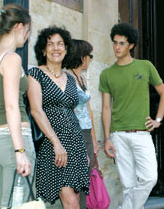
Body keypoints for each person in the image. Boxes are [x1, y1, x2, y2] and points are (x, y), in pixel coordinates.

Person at [100, 23, 164, 209]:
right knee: (128, 185)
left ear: (131, 45)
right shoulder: (107, 74)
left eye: (122, 43)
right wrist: (107, 138)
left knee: (149, 178)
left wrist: (158, 121)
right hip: (118, 135)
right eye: (115, 43)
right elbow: (106, 108)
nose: (117, 47)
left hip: (141, 132)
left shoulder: (145, 66)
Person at [0, 4, 35, 209]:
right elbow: (12, 107)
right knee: (17, 206)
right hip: (14, 141)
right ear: (19, 27)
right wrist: (20, 150)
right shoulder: (11, 58)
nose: (26, 37)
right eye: (28, 32)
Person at [27, 26, 90, 208]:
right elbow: (36, 111)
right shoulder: (35, 74)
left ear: (66, 48)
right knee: (70, 202)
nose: (56, 48)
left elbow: (74, 113)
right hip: (53, 143)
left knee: (75, 201)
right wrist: (56, 143)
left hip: (75, 142)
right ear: (43, 50)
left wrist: (82, 149)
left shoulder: (70, 78)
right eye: (50, 44)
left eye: (60, 44)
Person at [67, 39, 98, 208]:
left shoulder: (82, 78)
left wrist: (93, 140)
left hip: (86, 133)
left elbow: (89, 111)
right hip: (75, 134)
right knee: (76, 185)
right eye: (89, 55)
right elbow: (69, 112)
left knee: (84, 182)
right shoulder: (67, 78)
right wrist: (79, 145)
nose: (90, 59)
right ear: (81, 57)